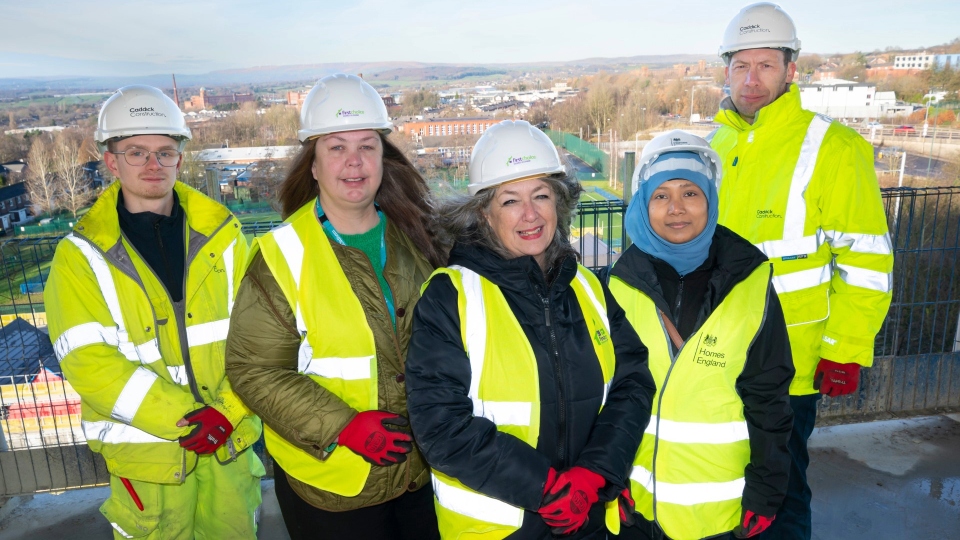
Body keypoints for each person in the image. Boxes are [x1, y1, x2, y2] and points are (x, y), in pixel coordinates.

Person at [405, 120, 656, 539]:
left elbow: (633, 384)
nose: (530, 214)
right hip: (498, 529)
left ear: (559, 202)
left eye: (541, 195)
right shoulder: (451, 297)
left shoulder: (587, 288)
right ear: (483, 213)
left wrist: (595, 475)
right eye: (509, 201)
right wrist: (549, 489)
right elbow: (440, 426)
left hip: (588, 518)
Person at [224, 73, 444, 540]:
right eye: (336, 148)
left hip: (422, 472)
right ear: (314, 165)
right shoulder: (282, 255)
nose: (354, 162)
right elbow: (253, 368)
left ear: (384, 157)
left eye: (367, 146)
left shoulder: (420, 236)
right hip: (333, 487)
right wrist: (343, 426)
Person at [45, 85, 263, 539]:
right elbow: (91, 364)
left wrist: (225, 411)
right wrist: (185, 419)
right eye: (136, 151)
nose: (152, 164)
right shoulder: (81, 256)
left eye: (165, 152)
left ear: (180, 158)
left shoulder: (225, 237)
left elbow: (262, 337)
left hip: (228, 447)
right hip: (149, 463)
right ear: (111, 161)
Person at [711, 4, 894, 538]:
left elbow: (865, 259)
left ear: (791, 70)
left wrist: (847, 346)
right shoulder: (716, 145)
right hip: (719, 356)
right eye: (740, 64)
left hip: (789, 365)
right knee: (727, 483)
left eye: (765, 65)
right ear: (725, 69)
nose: (751, 79)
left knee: (781, 488)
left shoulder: (835, 149)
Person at [606, 131, 794, 540]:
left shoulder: (750, 282)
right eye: (661, 195)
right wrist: (610, 479)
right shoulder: (618, 284)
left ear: (710, 199)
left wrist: (767, 489)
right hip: (638, 509)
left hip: (720, 514)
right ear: (644, 203)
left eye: (690, 192)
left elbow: (769, 396)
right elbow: (607, 396)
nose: (676, 209)